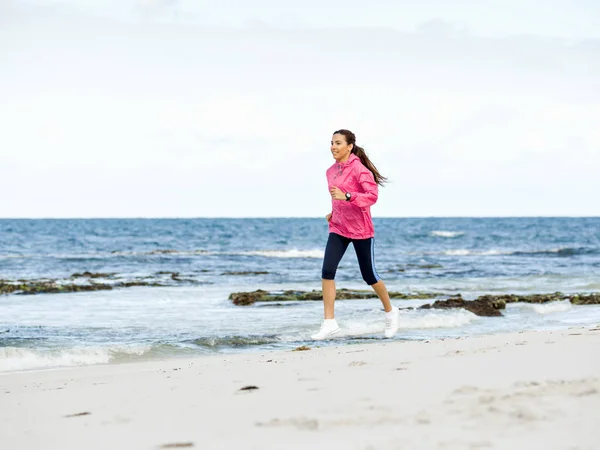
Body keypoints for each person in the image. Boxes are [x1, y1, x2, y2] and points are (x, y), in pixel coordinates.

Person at [311, 129, 400, 340]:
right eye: (332, 142)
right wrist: (334, 212)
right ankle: (329, 323)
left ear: (349, 146)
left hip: (361, 230)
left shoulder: (360, 170)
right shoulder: (330, 171)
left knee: (369, 276)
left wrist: (348, 196)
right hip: (339, 227)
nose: (333, 146)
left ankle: (390, 311)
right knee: (327, 271)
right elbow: (337, 198)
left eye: (338, 143)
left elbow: (372, 196)